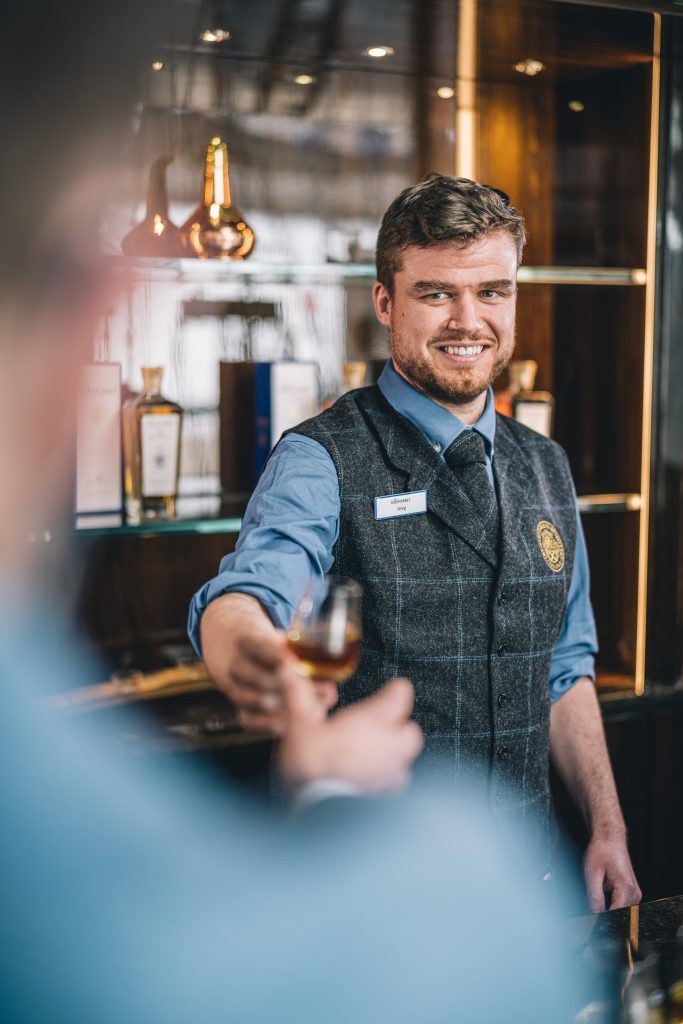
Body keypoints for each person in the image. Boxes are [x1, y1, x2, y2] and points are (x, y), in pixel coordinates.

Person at [191, 175, 641, 912]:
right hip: (369, 895)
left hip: (527, 884)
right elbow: (250, 591)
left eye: (491, 292)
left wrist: (605, 826)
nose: (468, 320)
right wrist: (249, 649)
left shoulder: (544, 463)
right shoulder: (318, 457)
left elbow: (564, 668)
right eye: (436, 294)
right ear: (384, 303)